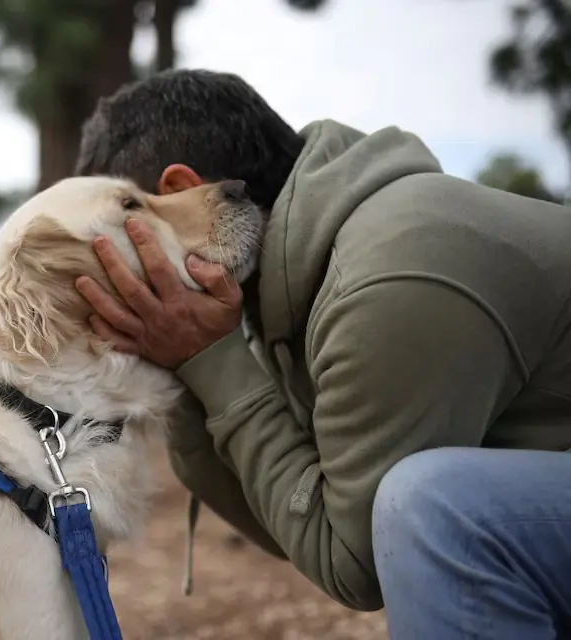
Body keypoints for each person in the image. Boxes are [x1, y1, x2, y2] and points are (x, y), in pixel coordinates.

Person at [72, 68, 571, 638]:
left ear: (182, 192)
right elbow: (297, 527)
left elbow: (355, 565)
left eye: (115, 244)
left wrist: (208, 359)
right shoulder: (301, 277)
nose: (114, 279)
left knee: (433, 512)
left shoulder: (383, 283)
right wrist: (183, 372)